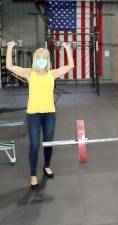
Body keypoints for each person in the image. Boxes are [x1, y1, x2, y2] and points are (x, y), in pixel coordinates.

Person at [6, 41, 74, 188]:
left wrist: (68, 49)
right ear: (36, 59)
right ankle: (33, 175)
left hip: (49, 114)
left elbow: (70, 66)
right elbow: (9, 66)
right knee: (35, 145)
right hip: (33, 115)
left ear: (47, 60)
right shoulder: (29, 72)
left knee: (48, 143)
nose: (42, 60)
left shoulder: (52, 73)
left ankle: (47, 166)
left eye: (44, 57)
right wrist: (10, 48)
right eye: (39, 57)